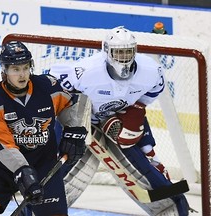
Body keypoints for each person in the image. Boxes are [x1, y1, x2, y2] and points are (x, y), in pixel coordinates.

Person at [49, 26, 190, 215]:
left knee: (138, 149)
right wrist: (67, 124)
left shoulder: (151, 71)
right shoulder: (86, 71)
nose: (124, 56)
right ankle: (42, 206)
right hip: (79, 120)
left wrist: (135, 113)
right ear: (106, 51)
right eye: (118, 52)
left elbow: (147, 97)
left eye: (128, 51)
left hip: (114, 117)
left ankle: (170, 203)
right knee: (58, 166)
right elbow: (52, 86)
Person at [0, 39, 88, 216]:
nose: (22, 75)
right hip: (3, 167)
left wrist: (74, 131)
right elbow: (3, 146)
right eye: (15, 69)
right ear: (4, 71)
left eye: (25, 68)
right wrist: (23, 171)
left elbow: (72, 104)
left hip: (44, 164)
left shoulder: (48, 87)